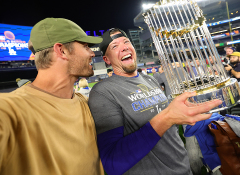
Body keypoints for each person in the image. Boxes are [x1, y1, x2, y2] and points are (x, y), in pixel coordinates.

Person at [88, 28, 222, 175]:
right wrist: (167, 118)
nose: (124, 47)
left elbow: (165, 124)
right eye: (115, 46)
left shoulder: (150, 79)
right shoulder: (103, 92)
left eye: (126, 42)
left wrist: (179, 113)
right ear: (106, 59)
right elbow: (112, 163)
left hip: (183, 169)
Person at [0, 18, 104, 175]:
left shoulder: (84, 101)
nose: (92, 52)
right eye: (85, 46)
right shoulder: (10, 109)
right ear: (61, 50)